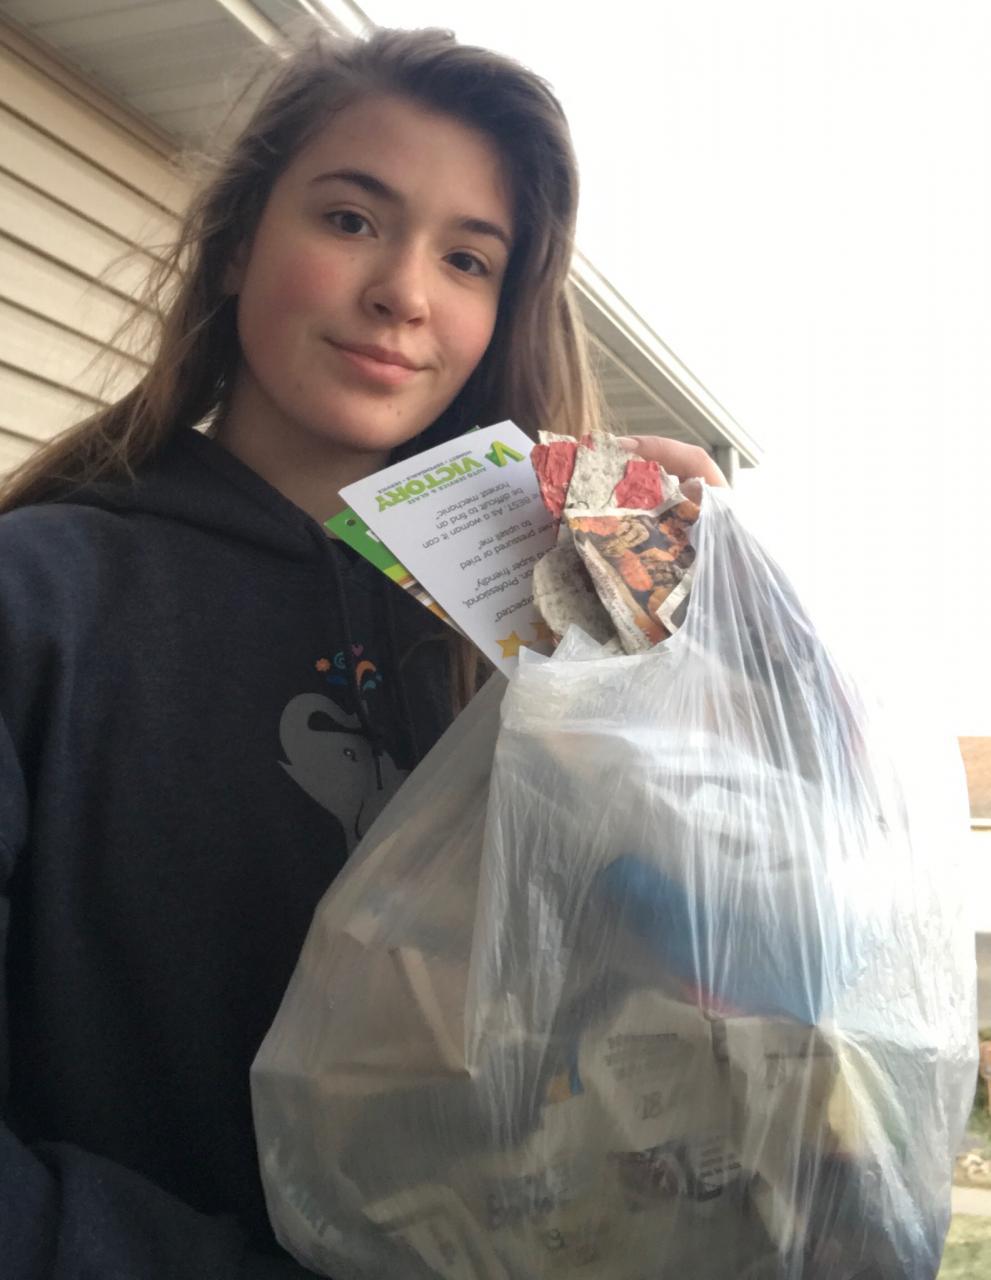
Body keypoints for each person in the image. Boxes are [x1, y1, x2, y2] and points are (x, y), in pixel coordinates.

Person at [0, 23, 726, 1279]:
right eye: (349, 219)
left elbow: (697, 984)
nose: (404, 290)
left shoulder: (534, 647)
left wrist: (693, 661)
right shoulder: (38, 599)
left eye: (467, 257)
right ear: (238, 243)